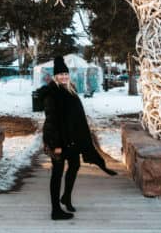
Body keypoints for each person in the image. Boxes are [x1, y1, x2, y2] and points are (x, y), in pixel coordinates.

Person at [37, 56, 117, 221]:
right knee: (57, 173)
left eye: (66, 74)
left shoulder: (69, 90)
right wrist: (56, 145)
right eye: (60, 74)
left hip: (71, 140)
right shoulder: (52, 94)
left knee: (75, 165)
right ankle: (55, 210)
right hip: (58, 140)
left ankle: (66, 197)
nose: (64, 77)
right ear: (55, 76)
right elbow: (52, 121)